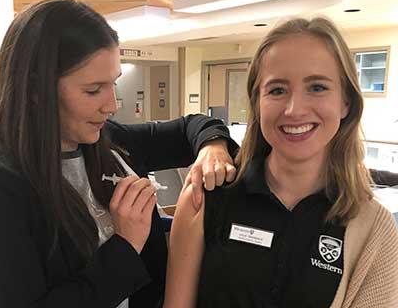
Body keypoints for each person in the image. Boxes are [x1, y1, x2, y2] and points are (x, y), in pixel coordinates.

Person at [0, 0, 238, 308]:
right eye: (93, 90)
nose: (111, 105)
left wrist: (213, 147)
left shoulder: (111, 142)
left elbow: (193, 127)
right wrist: (125, 245)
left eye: (112, 85)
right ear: (36, 90)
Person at [164, 17, 398, 308]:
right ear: (257, 103)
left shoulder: (373, 227)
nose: (294, 109)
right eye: (277, 90)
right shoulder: (204, 198)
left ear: (345, 102)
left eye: (317, 87)